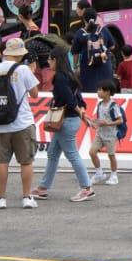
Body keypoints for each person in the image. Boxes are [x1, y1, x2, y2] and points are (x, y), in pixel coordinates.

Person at [34, 58, 97, 203]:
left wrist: (82, 115)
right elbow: (79, 101)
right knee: (53, 153)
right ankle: (43, 187)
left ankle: (87, 188)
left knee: (72, 154)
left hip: (66, 121)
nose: (48, 62)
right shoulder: (70, 75)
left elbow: (70, 100)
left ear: (56, 60)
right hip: (69, 121)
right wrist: (82, 115)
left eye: (50, 59)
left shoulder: (60, 78)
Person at [0, 41, 39, 210]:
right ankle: (27, 197)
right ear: (20, 54)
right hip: (22, 122)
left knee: (2, 161)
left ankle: (1, 198)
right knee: (26, 162)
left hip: (0, 123)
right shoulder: (23, 70)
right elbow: (35, 94)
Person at [90, 81, 126, 185]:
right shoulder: (100, 104)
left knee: (111, 155)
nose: (98, 92)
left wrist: (107, 123)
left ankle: (114, 175)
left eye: (100, 90)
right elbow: (100, 119)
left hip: (111, 135)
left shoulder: (114, 106)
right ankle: (99, 173)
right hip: (100, 133)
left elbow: (120, 120)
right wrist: (94, 122)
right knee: (92, 152)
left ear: (107, 92)